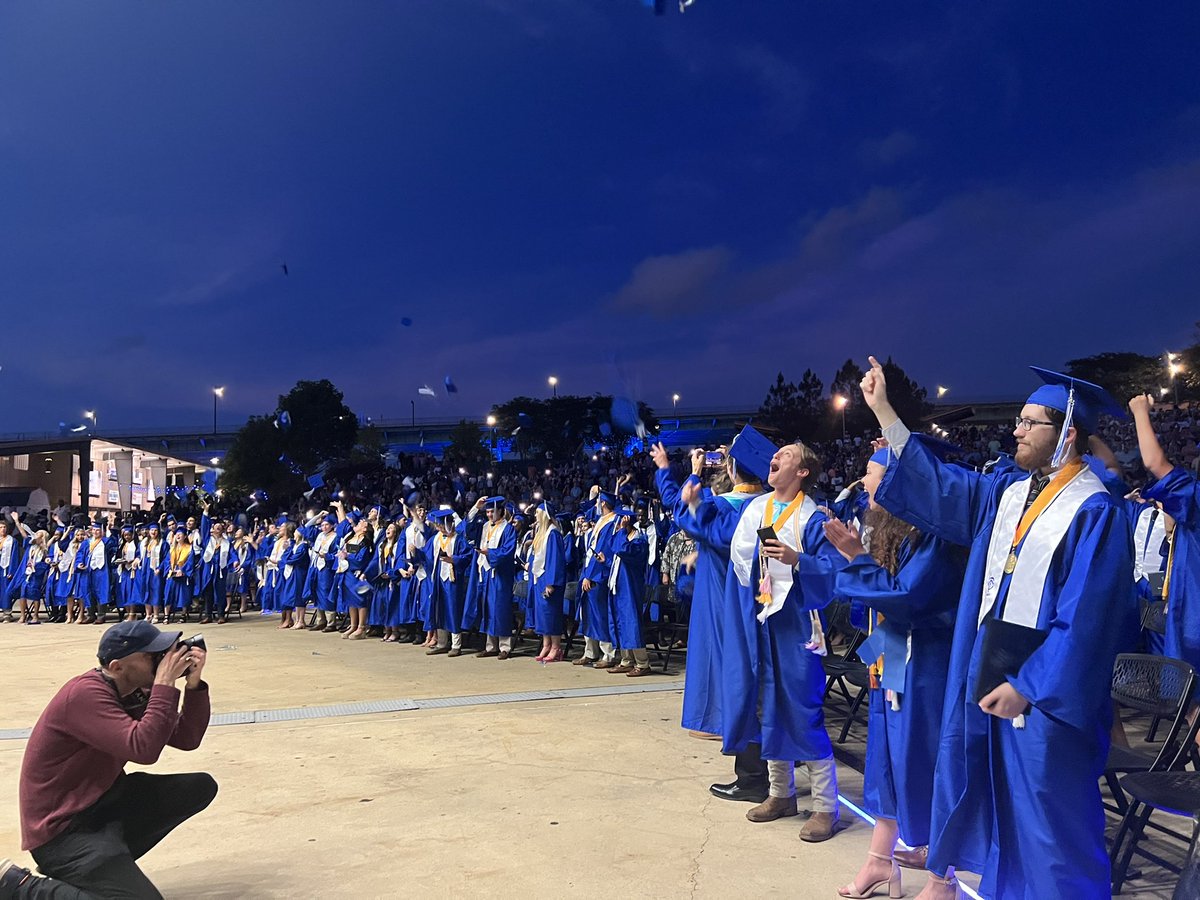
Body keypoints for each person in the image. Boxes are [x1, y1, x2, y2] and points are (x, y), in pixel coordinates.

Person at [861, 356, 1137, 898]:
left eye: (1030, 422)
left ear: (1067, 434)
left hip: (1046, 704)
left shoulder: (1094, 513)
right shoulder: (1008, 494)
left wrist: (1029, 686)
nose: (1015, 429)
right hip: (993, 684)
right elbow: (939, 485)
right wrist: (884, 412)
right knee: (1005, 826)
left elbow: (1087, 620)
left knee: (1050, 829)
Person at [824, 445, 964, 899]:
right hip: (893, 660)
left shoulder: (937, 536)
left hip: (929, 665)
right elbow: (873, 600)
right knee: (885, 763)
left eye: (872, 474)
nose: (864, 482)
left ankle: (944, 879)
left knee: (928, 763)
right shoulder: (891, 531)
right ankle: (880, 862)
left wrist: (856, 559)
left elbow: (909, 598)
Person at [2, 620, 215, 898]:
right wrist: (164, 684)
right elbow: (143, 749)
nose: (163, 661)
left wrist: (194, 684)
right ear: (117, 667)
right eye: (152, 656)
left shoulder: (135, 692)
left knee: (199, 787)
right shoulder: (84, 695)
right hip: (63, 832)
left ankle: (107, 868)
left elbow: (187, 739)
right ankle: (18, 886)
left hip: (103, 807)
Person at [721, 440, 846, 843]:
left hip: (797, 622)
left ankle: (826, 807)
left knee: (802, 708)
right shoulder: (756, 508)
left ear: (803, 472)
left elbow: (833, 571)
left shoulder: (814, 518)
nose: (776, 457)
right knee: (767, 705)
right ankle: (781, 794)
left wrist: (797, 560)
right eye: (777, 455)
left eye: (787, 455)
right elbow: (740, 561)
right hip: (762, 616)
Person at [1132, 394, 1198, 684]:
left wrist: (1140, 411)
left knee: (1190, 700)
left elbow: (1154, 463)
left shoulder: (1194, 498)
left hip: (1193, 619)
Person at [466, 497, 517, 659]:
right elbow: (466, 529)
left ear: (500, 511)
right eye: (487, 511)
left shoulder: (508, 529)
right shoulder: (484, 526)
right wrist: (476, 507)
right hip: (485, 572)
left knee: (500, 609)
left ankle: (505, 647)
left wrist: (491, 554)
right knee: (487, 608)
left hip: (499, 574)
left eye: (492, 511)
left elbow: (508, 551)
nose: (489, 515)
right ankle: (491, 646)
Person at [528, 502, 566, 663]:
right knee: (542, 614)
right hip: (540, 578)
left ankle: (556, 647)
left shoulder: (553, 534)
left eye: (538, 512)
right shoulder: (541, 533)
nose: (536, 515)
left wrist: (551, 583)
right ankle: (546, 644)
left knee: (551, 613)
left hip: (550, 579)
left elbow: (555, 561)